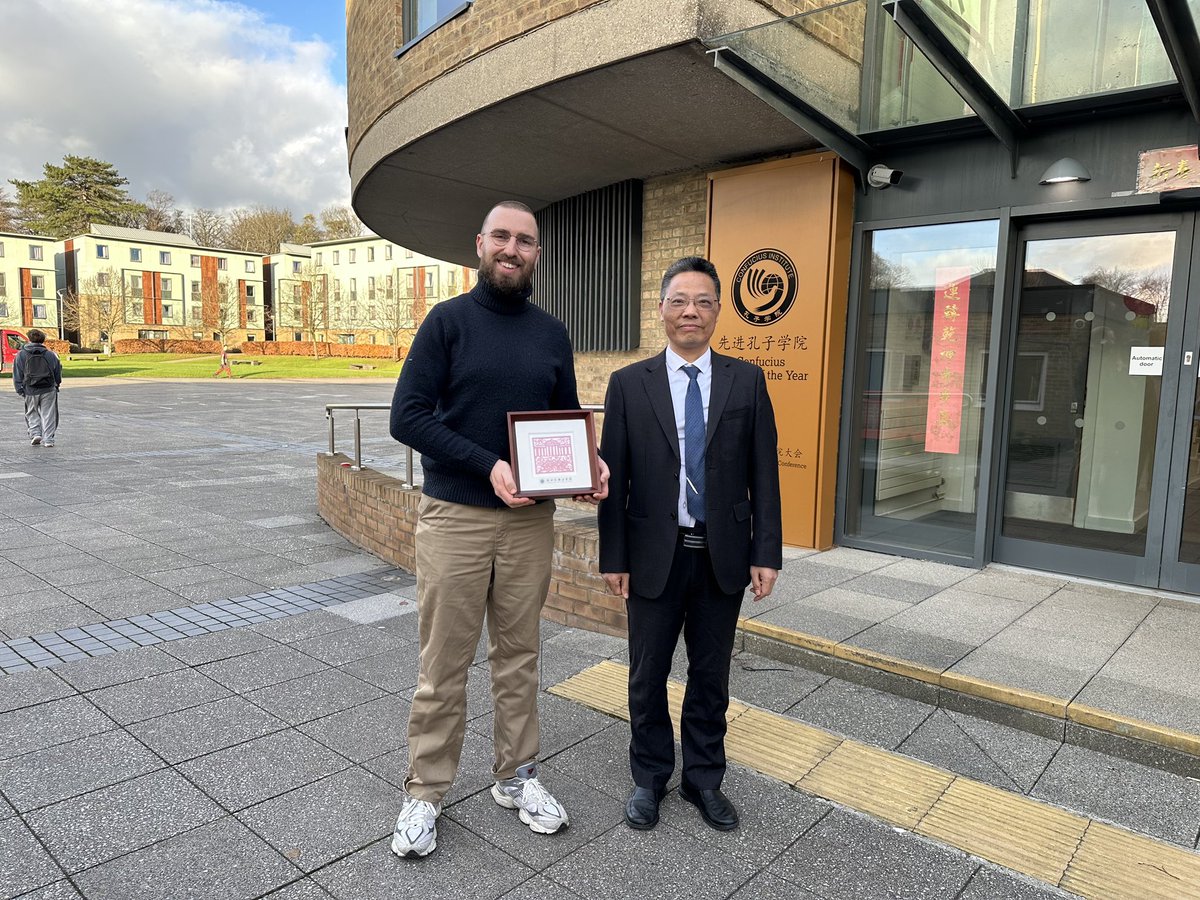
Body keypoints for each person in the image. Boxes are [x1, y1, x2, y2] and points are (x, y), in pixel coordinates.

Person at [388, 200, 608, 859]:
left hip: (528, 525)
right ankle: (425, 792)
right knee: (443, 663)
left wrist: (588, 463)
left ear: (538, 255)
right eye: (503, 238)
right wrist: (488, 465)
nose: (514, 249)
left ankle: (516, 777)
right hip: (455, 517)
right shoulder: (447, 323)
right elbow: (408, 416)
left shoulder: (550, 333)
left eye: (527, 241)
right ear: (480, 244)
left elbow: (565, 418)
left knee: (519, 657)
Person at [598, 256, 782, 833]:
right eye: (679, 301)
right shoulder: (629, 384)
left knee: (711, 676)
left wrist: (765, 552)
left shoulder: (746, 380)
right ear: (661, 310)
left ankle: (704, 779)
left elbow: (765, 473)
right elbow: (614, 478)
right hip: (653, 553)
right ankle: (650, 777)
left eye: (703, 301)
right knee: (646, 675)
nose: (691, 312)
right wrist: (614, 557)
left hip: (722, 554)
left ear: (719, 311)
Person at [13, 329, 62, 448]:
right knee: (49, 414)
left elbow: (17, 373)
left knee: (31, 412)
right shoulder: (50, 354)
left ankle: (35, 433)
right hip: (48, 388)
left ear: (29, 339)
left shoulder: (22, 354)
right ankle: (49, 439)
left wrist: (19, 388)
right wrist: (57, 384)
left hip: (30, 388)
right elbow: (57, 371)